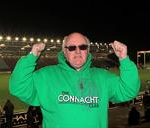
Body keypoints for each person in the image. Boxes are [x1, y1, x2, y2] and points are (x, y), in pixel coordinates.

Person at [9, 32, 140, 128]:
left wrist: (124, 59)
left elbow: (128, 90)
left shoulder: (103, 77)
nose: (77, 51)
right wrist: (31, 57)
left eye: (82, 47)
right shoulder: (46, 75)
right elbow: (18, 87)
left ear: (88, 51)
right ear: (65, 52)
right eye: (71, 48)